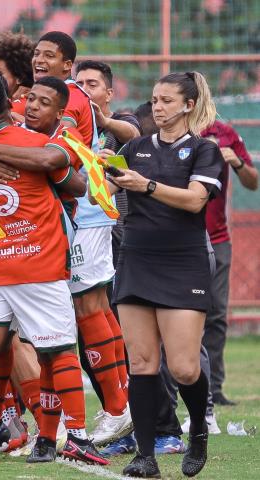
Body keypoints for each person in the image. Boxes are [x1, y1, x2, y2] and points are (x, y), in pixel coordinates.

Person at [0, 70, 106, 465]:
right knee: (60, 352)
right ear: (10, 100)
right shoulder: (38, 144)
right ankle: (77, 436)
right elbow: (78, 185)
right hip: (39, 264)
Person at [105, 71, 222, 478]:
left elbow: (194, 202)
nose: (158, 106)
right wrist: (100, 176)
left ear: (188, 105)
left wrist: (146, 185)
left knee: (185, 368)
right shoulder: (135, 147)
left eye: (167, 101)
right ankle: (145, 455)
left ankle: (199, 434)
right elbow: (99, 193)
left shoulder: (205, 150)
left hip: (182, 262)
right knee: (141, 363)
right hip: (136, 260)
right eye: (154, 99)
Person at [74, 59, 141, 447]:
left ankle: (126, 410)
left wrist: (101, 119)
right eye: (79, 83)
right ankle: (117, 410)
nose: (85, 89)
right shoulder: (68, 118)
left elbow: (132, 134)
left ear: (109, 92)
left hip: (110, 233)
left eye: (92, 84)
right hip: (82, 230)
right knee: (91, 323)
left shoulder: (114, 124)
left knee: (98, 316)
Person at [200, 120, 258, 406]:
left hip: (218, 239)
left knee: (217, 315)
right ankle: (171, 387)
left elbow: (252, 181)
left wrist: (235, 161)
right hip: (176, 240)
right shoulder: (169, 130)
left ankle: (214, 387)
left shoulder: (224, 132)